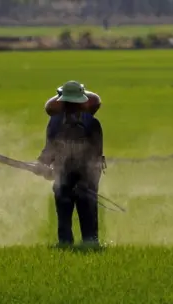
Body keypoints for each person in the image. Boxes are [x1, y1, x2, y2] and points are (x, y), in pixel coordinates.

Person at [36, 80, 106, 246]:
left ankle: (90, 242)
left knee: (87, 207)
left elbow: (96, 155)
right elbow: (50, 147)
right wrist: (42, 163)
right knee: (63, 206)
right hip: (63, 172)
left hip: (87, 175)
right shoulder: (54, 123)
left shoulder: (91, 124)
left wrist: (85, 180)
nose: (70, 107)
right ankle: (65, 243)